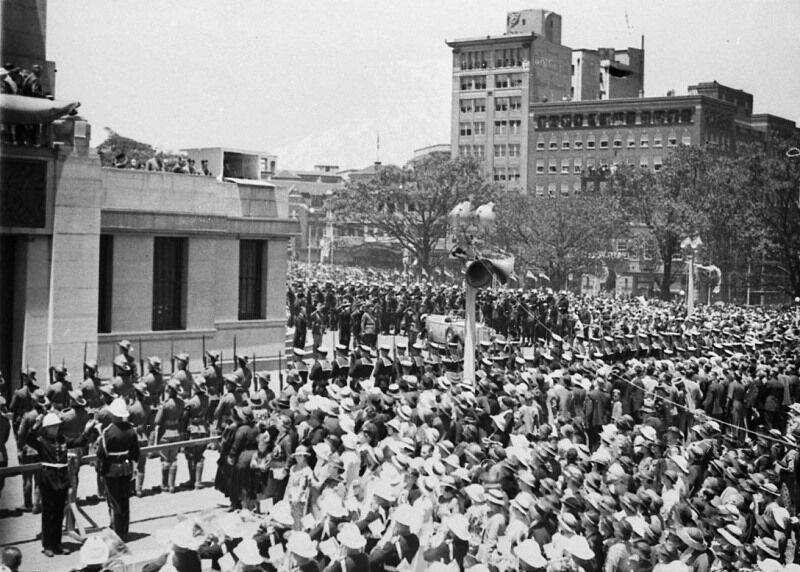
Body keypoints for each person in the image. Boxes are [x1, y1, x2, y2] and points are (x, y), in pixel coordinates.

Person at [25, 411, 97, 556]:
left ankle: (57, 544)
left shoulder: (63, 440)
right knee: (48, 514)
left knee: (59, 513)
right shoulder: (41, 441)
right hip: (48, 479)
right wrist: (35, 425)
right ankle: (47, 545)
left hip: (62, 479)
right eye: (52, 427)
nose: (55, 429)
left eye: (57, 426)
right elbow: (28, 439)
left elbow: (79, 442)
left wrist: (87, 430)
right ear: (46, 428)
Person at [96, 397, 140, 541]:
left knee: (114, 503)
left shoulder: (107, 431)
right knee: (124, 501)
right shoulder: (131, 430)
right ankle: (124, 533)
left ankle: (117, 533)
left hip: (112, 470)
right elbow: (136, 453)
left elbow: (101, 453)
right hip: (126, 469)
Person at [154, 379, 184, 493]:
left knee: (165, 460)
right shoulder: (181, 403)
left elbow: (157, 421)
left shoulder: (165, 404)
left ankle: (165, 484)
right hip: (176, 432)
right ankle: (172, 486)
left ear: (170, 390)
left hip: (165, 434)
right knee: (174, 459)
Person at [183, 376, 210, 490]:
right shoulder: (207, 399)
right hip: (203, 428)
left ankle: (192, 479)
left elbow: (185, 416)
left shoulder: (191, 402)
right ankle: (198, 481)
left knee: (190, 455)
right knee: (199, 455)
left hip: (193, 429)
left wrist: (184, 430)